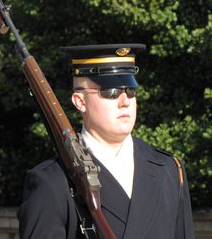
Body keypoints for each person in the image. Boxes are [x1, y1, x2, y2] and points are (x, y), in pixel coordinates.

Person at [18, 44, 195, 239]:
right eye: (110, 92)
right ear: (80, 102)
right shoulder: (52, 182)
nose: (124, 101)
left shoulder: (169, 169)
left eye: (130, 91)